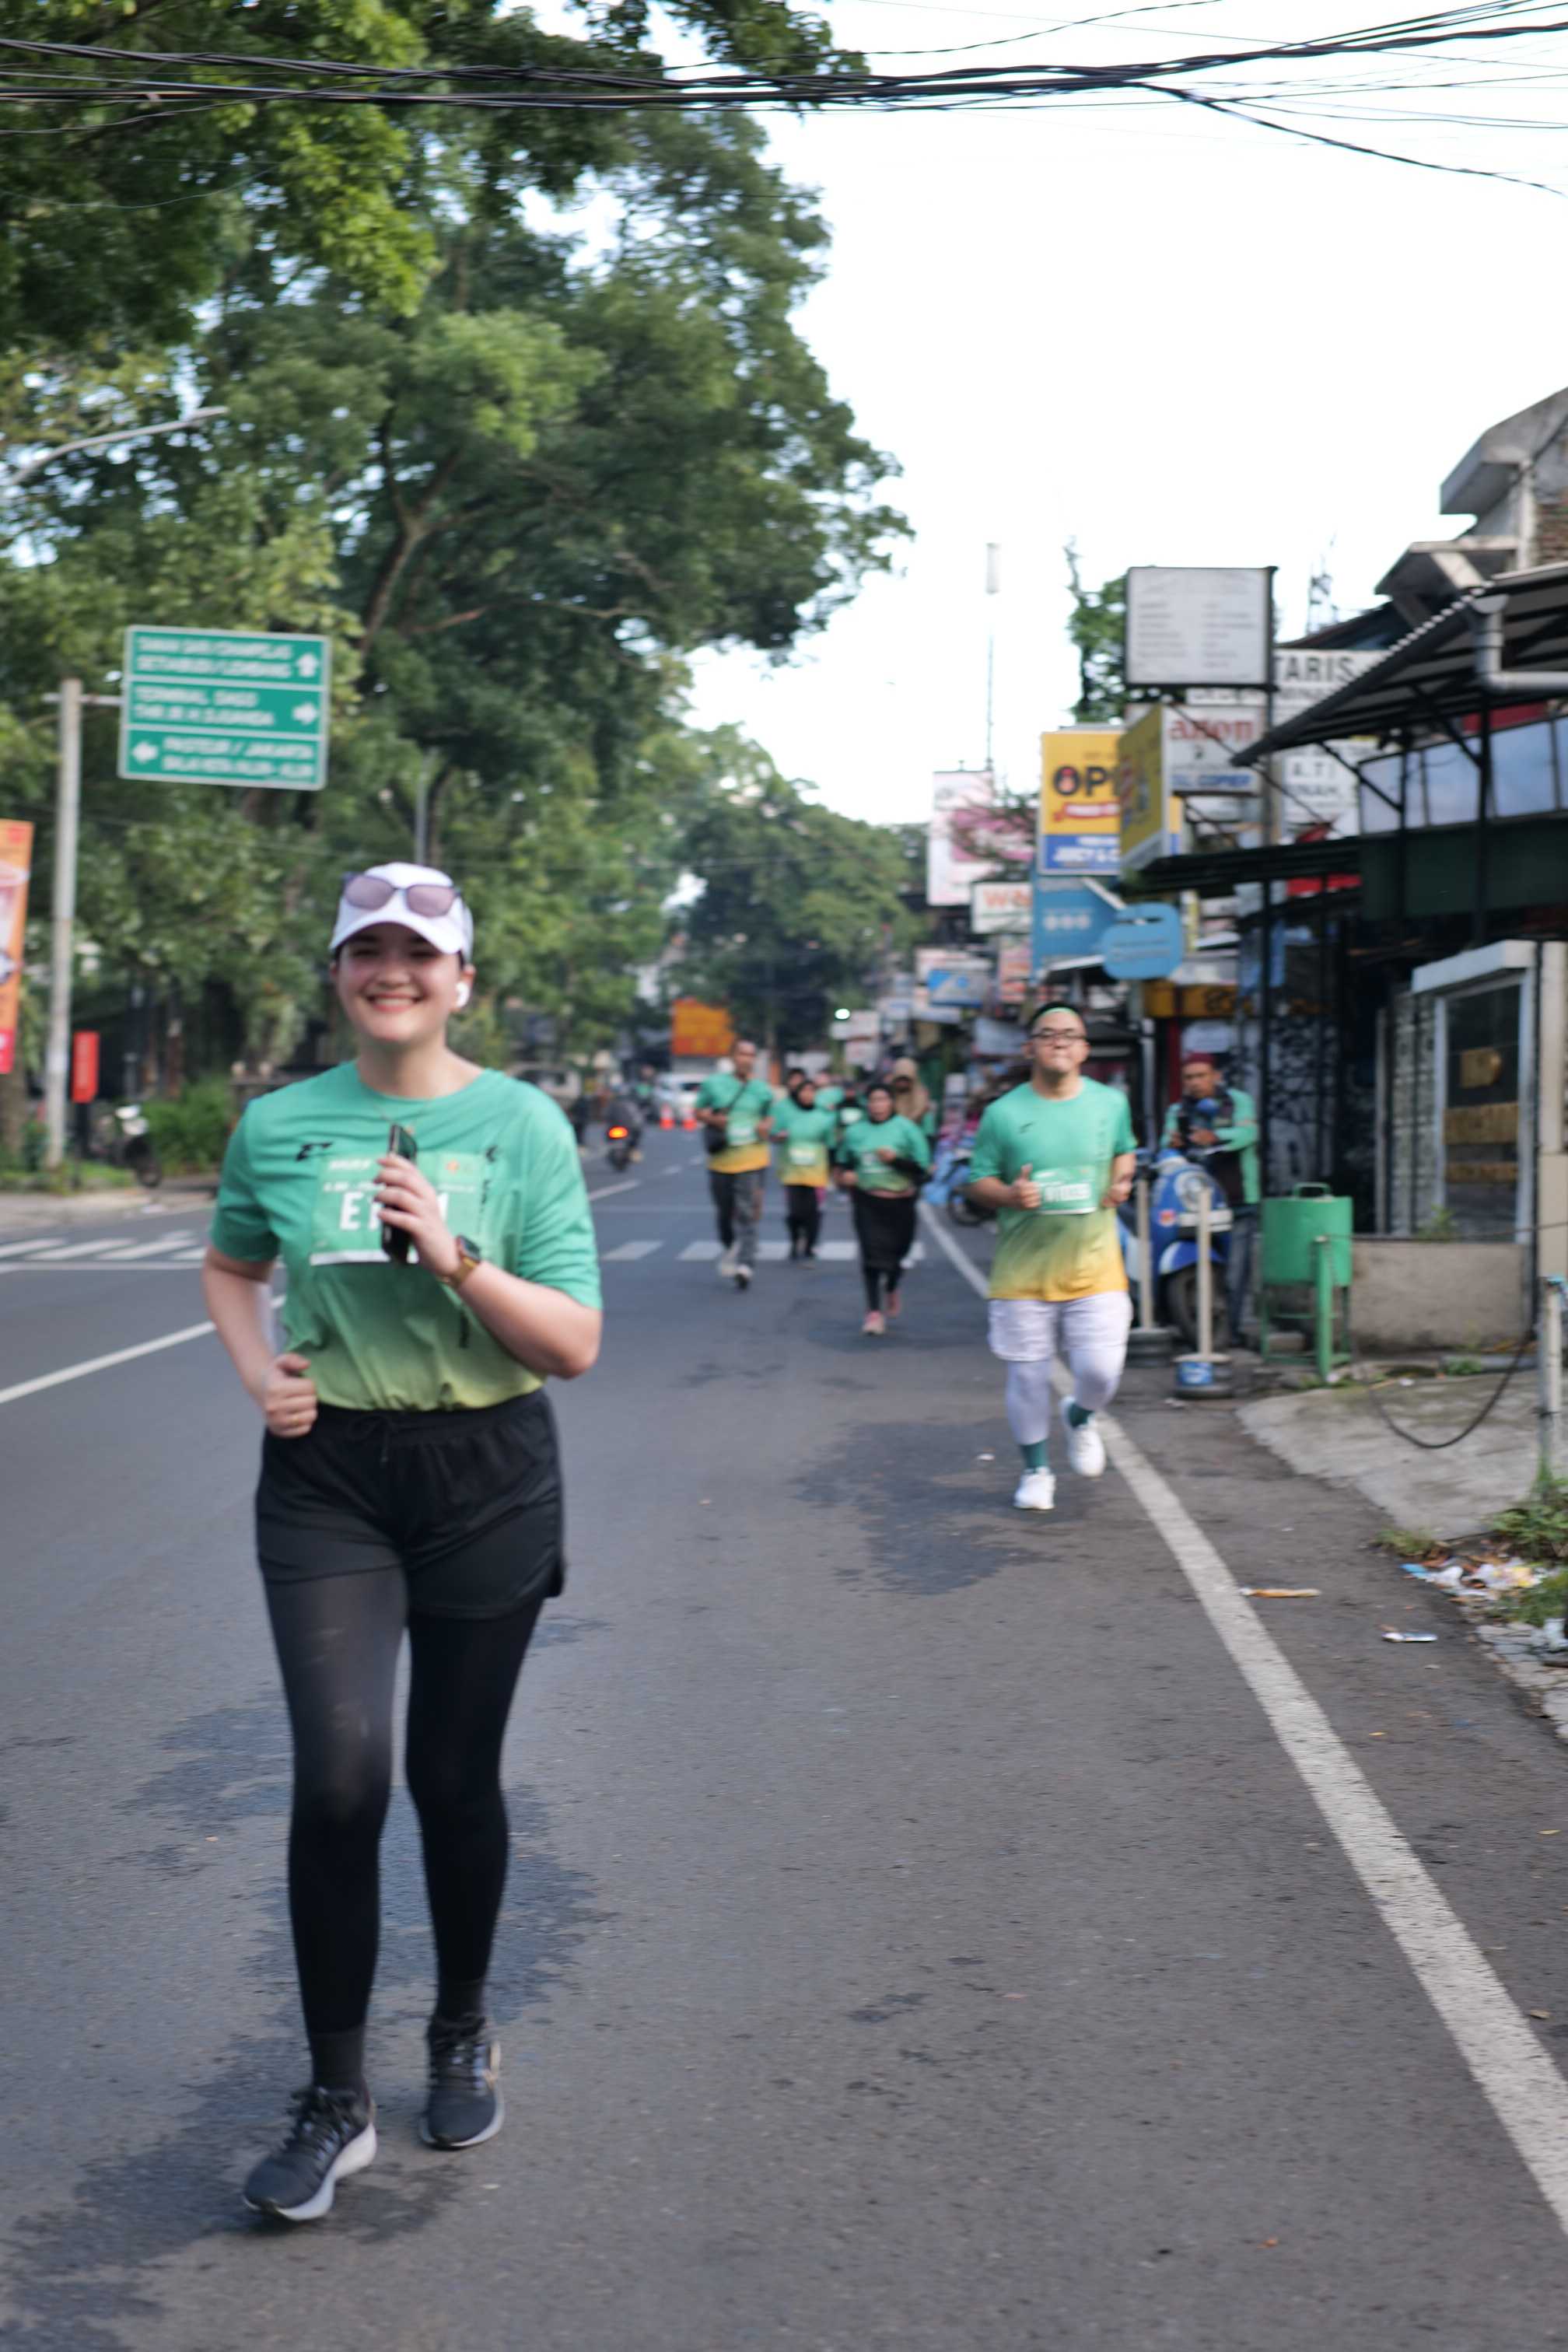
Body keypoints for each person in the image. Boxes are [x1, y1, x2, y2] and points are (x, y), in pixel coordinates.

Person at [201, 862, 602, 2224]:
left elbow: (575, 1343)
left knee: (452, 1774)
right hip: (330, 1475)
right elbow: (231, 1264)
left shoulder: (523, 1123)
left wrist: (454, 1256)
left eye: (419, 954)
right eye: (367, 951)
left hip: (488, 1472)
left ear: (461, 980)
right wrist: (259, 1373)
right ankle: (334, 2097)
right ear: (338, 975)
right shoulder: (280, 1123)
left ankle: (462, 2024)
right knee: (340, 1778)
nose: (393, 972)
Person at [966, 1003, 1136, 1511]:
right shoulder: (1002, 1113)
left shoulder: (1110, 1104)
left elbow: (1124, 1150)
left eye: (1070, 1034)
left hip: (1096, 1265)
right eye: (1048, 1034)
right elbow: (977, 1180)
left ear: (1084, 1049)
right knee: (1028, 1377)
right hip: (1023, 1270)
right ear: (1030, 1048)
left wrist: (1122, 1180)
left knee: (1101, 1372)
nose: (1059, 1041)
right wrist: (1009, 1196)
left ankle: (1080, 1416)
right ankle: (1036, 1470)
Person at [1160, 1052, 1259, 1345]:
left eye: (1201, 1076)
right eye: (1189, 1077)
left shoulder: (1237, 1102)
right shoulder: (1179, 1110)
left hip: (1238, 1200)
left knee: (1235, 1271)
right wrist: (1174, 1143)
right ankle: (1195, 1327)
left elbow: (1248, 1134)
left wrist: (1213, 1136)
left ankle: (1232, 1332)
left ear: (1216, 1076)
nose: (1195, 1082)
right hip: (1193, 1203)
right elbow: (1166, 1143)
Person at [835, 1076, 931, 1335]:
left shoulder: (907, 1129)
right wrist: (844, 1176)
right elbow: (842, 1162)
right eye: (873, 1100)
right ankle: (873, 1313)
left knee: (898, 1254)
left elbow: (922, 1170)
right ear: (867, 1104)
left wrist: (895, 1160)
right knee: (871, 1255)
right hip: (867, 1201)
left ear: (892, 1102)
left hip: (901, 1203)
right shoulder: (855, 1132)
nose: (878, 1105)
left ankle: (891, 1285)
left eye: (883, 1099)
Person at [695, 1039, 774, 1290]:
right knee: (724, 1212)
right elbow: (698, 1111)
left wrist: (765, 1126)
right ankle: (730, 1245)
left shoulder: (762, 1089)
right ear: (732, 1057)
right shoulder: (714, 1084)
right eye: (742, 1054)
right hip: (721, 1160)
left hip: (752, 1158)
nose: (746, 1059)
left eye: (751, 1054)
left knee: (747, 1212)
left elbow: (770, 1116)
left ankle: (746, 1264)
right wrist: (713, 1120)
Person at [769, 1072, 837, 1260]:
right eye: (803, 1091)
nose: (807, 1094)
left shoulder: (824, 1116)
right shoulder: (787, 1114)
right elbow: (773, 1135)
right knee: (795, 1212)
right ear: (797, 1093)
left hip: (816, 1170)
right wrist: (779, 1136)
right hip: (792, 1169)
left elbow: (831, 1144)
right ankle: (795, 1240)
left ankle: (810, 1245)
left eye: (811, 1090)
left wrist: (834, 1169)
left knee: (813, 1211)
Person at [889, 1056, 937, 1143]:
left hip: (918, 1137)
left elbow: (928, 1130)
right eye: (900, 1079)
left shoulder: (921, 1097)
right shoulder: (890, 1095)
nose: (902, 1083)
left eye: (906, 1079)